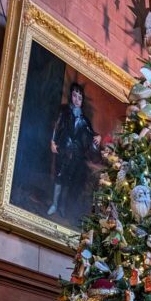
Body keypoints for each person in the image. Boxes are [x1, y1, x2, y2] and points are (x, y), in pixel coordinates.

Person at [47, 83, 101, 218]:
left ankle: (62, 207)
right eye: (75, 96)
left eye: (80, 98)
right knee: (59, 177)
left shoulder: (84, 119)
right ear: (71, 96)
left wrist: (98, 136)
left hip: (76, 153)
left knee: (68, 180)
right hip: (63, 148)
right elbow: (57, 126)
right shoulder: (64, 111)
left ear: (82, 101)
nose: (77, 100)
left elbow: (90, 132)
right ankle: (54, 204)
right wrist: (53, 142)